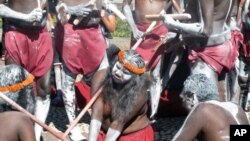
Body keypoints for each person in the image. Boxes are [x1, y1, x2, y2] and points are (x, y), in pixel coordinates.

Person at [54, 0, 110, 140]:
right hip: (71, 36)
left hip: (94, 37)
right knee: (68, 82)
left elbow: (110, 20)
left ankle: (101, 120)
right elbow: (58, 11)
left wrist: (106, 8)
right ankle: (73, 127)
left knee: (103, 81)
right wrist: (72, 11)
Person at [162, 0, 238, 102]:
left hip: (208, 52)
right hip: (224, 47)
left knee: (205, 107)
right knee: (221, 101)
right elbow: (229, 22)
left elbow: (206, 31)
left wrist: (172, 24)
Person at [0, 1, 53, 140]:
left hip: (42, 36)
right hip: (16, 35)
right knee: (15, 89)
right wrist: (25, 17)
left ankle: (35, 132)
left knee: (45, 89)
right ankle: (17, 130)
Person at [88, 47, 154, 141]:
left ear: (135, 78)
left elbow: (118, 122)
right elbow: (97, 112)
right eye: (118, 67)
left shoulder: (139, 94)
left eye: (125, 72)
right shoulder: (101, 77)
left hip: (132, 137)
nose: (118, 73)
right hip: (104, 132)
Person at [122, 0, 173, 120]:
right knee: (134, 73)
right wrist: (133, 28)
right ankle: (131, 110)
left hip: (159, 32)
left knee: (155, 76)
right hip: (139, 33)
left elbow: (172, 12)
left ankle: (153, 114)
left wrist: (171, 32)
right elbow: (125, 5)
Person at [172, 73, 249, 141]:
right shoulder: (236, 107)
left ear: (192, 97)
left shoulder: (203, 109)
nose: (183, 106)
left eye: (183, 100)